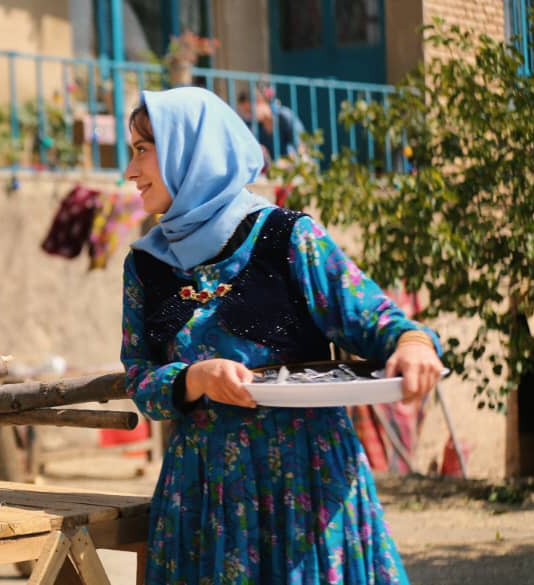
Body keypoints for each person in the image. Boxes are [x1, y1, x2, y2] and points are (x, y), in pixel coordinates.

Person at [121, 87, 443, 584]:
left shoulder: (287, 237)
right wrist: (193, 378)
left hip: (307, 486)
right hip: (205, 498)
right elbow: (140, 377)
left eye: (143, 150)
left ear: (191, 150)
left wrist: (413, 344)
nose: (130, 171)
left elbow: (376, 319)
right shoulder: (146, 266)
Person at [237, 88, 307, 161]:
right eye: (245, 113)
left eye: (249, 111)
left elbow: (302, 146)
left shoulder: (284, 117)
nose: (248, 116)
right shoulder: (254, 126)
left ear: (260, 101)